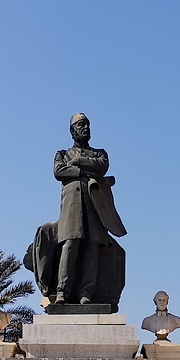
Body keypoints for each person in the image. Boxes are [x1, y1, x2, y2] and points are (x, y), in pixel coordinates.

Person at [52, 113, 126, 305]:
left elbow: (101, 167)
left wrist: (77, 163)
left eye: (87, 125)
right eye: (80, 125)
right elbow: (59, 171)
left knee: (92, 248)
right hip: (72, 210)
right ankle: (62, 292)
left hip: (95, 209)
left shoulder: (99, 153)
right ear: (72, 131)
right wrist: (85, 171)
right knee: (70, 246)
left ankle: (86, 293)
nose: (85, 128)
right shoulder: (62, 154)